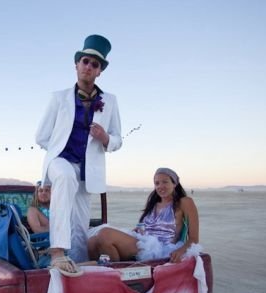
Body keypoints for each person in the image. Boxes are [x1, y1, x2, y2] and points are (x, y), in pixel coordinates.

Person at [36, 34, 122, 276]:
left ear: (99, 71)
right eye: (85, 61)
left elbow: (118, 139)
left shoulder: (110, 101)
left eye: (95, 64)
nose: (88, 67)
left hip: (88, 171)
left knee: (80, 226)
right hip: (60, 161)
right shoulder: (58, 98)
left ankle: (77, 267)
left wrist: (106, 139)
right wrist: (58, 150)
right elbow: (41, 136)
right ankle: (57, 252)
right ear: (76, 64)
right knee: (64, 177)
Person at [88, 168, 201, 264]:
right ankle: (102, 273)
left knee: (105, 233)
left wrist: (181, 251)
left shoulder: (185, 202)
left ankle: (116, 272)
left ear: (175, 183)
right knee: (92, 241)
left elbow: (194, 238)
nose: (160, 186)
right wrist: (137, 230)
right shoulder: (154, 204)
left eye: (165, 182)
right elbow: (144, 227)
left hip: (159, 248)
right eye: (157, 183)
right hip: (143, 240)